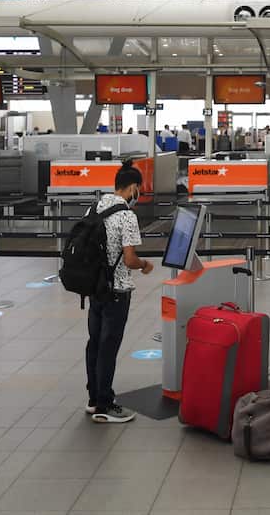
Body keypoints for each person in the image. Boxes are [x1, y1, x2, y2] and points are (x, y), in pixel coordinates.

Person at [85, 161, 153, 424]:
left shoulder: (95, 206)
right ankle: (105, 404)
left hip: (95, 288)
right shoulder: (127, 216)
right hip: (117, 290)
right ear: (133, 187)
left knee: (94, 343)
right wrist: (145, 265)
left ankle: (93, 399)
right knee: (108, 347)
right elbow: (129, 259)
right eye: (139, 189)